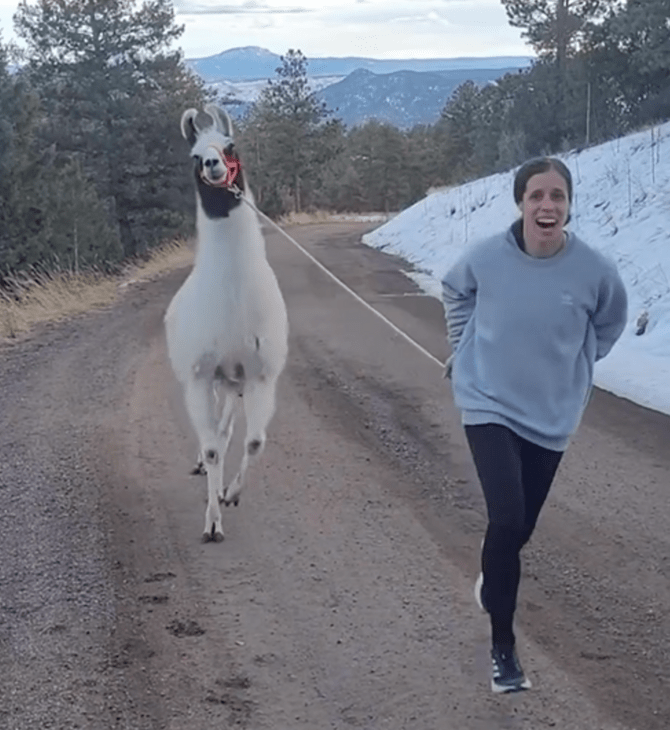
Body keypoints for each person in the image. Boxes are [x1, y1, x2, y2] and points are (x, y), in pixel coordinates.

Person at [441, 157, 628, 694]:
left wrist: (579, 360)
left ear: (569, 204)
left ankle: (492, 577)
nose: (547, 206)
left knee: (517, 532)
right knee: (507, 519)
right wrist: (462, 346)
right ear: (520, 203)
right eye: (536, 196)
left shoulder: (594, 270)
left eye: (557, 196)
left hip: (551, 413)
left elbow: (611, 321)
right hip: (488, 403)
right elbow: (456, 291)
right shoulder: (488, 256)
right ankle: (504, 651)